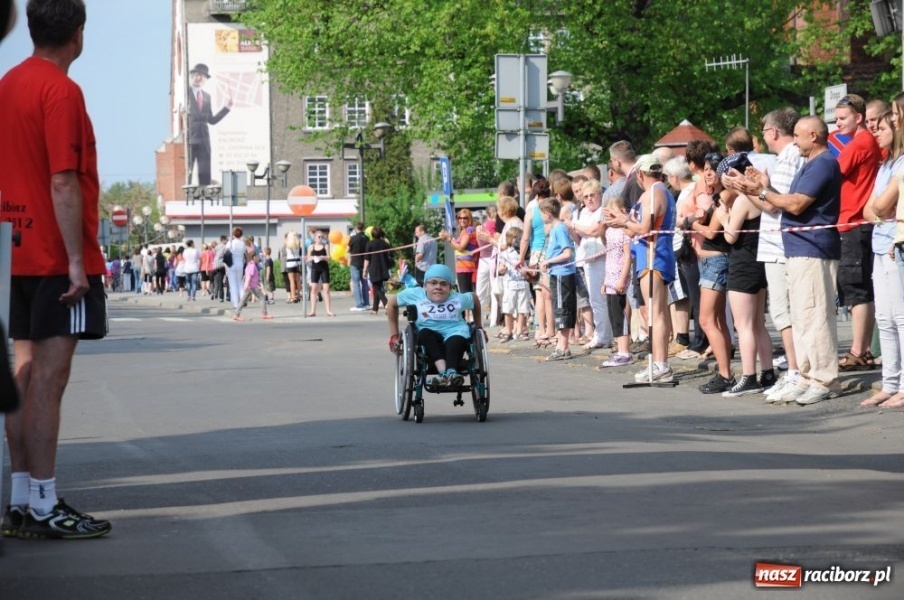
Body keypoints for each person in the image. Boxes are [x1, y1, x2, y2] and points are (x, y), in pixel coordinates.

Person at [0, 0, 111, 539]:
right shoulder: (60, 90)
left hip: (10, 249)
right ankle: (44, 504)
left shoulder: (8, 84)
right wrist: (75, 263)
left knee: (22, 375)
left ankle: (22, 498)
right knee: (48, 378)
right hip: (51, 255)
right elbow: (63, 180)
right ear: (79, 34)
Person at [729, 116, 842, 406]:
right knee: (802, 318)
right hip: (797, 249)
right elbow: (782, 202)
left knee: (816, 316)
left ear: (814, 136)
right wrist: (760, 186)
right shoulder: (808, 164)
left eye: (799, 136)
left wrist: (763, 191)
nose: (795, 141)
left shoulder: (824, 163)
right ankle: (806, 375)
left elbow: (796, 203)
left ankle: (823, 378)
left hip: (813, 249)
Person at [606, 154, 677, 383]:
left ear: (639, 174)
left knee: (655, 312)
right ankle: (659, 364)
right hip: (649, 256)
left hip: (653, 257)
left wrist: (624, 222)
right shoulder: (653, 192)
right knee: (656, 311)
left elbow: (645, 227)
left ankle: (660, 365)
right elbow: (636, 229)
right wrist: (622, 219)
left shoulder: (655, 192)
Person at [755, 108, 806, 401]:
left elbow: (775, 203)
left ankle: (796, 371)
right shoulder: (788, 158)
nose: (763, 137)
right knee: (784, 312)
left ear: (773, 132)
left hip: (779, 246)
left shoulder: (788, 158)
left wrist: (750, 189)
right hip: (778, 244)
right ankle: (796, 370)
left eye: (764, 131)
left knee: (784, 313)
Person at [713, 155, 775, 397]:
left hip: (743, 264)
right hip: (758, 262)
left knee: (744, 324)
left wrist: (723, 218)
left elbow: (730, 236)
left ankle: (749, 376)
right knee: (758, 322)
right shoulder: (760, 195)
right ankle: (767, 372)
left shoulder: (743, 200)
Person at [833, 94, 881, 371]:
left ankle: (858, 351)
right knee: (861, 288)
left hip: (852, 222)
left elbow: (832, 175)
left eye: (842, 119)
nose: (838, 124)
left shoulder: (857, 145)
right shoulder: (869, 143)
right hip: (858, 222)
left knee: (856, 291)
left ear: (858, 117)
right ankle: (863, 350)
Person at [861, 110, 904, 408]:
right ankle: (890, 382)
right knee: (884, 319)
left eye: (882, 127)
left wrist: (880, 208)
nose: (876, 131)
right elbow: (869, 209)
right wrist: (880, 209)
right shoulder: (885, 164)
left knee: (901, 318)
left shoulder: (902, 164)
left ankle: (903, 385)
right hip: (879, 245)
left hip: (895, 246)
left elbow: (884, 205)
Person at [387, 264, 482, 388]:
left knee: (456, 338)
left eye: (444, 284)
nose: (438, 287)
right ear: (425, 286)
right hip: (428, 333)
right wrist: (394, 336)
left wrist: (479, 327)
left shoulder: (458, 299)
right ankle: (443, 374)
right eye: (433, 283)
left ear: (450, 287)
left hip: (455, 331)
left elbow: (474, 299)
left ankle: (452, 373)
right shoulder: (416, 294)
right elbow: (391, 304)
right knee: (424, 333)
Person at [570, 179, 612, 350]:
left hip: (603, 257)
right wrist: (572, 228)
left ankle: (604, 336)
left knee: (602, 298)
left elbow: (593, 231)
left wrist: (572, 225)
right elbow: (579, 238)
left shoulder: (603, 210)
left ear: (600, 195)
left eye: (592, 195)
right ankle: (603, 334)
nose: (589, 199)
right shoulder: (581, 213)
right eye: (585, 196)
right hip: (588, 257)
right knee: (595, 299)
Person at [538, 197, 577, 361]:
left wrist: (548, 261)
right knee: (559, 308)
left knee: (563, 309)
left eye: (541, 214)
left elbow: (567, 253)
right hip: (556, 273)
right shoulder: (553, 229)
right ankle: (561, 345)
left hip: (563, 273)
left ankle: (563, 346)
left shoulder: (559, 228)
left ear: (547, 214)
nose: (541, 217)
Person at [600, 196, 634, 367]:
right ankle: (619, 349)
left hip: (620, 277)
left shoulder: (624, 232)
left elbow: (627, 256)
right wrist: (605, 281)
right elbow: (609, 257)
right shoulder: (608, 231)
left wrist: (622, 279)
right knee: (613, 315)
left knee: (621, 314)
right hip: (610, 277)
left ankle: (625, 351)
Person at [187, 63, 232, 186]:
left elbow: (211, 120)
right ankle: (186, 196)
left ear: (205, 79)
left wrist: (226, 108)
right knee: (187, 171)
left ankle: (205, 195)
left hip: (204, 140)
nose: (199, 78)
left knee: (205, 172)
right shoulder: (185, 93)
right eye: (197, 75)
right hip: (190, 139)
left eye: (203, 76)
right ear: (191, 76)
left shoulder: (207, 96)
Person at [497, 227, 530, 342]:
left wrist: (526, 272)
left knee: (523, 308)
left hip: (522, 283)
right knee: (508, 308)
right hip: (510, 283)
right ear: (511, 239)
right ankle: (508, 330)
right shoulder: (505, 253)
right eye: (518, 238)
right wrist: (502, 269)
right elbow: (500, 268)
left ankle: (520, 330)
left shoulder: (524, 253)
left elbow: (527, 266)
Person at [439, 208, 478, 294]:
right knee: (466, 291)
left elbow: (461, 247)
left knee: (465, 292)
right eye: (460, 218)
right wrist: (448, 238)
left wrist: (449, 239)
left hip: (465, 265)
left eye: (465, 218)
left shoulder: (469, 230)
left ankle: (469, 307)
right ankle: (469, 307)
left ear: (469, 219)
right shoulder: (463, 231)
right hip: (462, 265)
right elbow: (455, 247)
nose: (462, 220)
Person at [232, 251, 273, 322]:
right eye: (257, 257)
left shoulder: (249, 265)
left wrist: (258, 284)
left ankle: (236, 315)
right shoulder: (252, 266)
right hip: (251, 286)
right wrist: (246, 286)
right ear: (254, 257)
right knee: (261, 298)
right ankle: (236, 315)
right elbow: (248, 277)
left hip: (251, 286)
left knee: (244, 300)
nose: (258, 258)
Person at [306, 230, 335, 317]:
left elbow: (329, 257)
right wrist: (312, 258)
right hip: (315, 268)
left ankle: (328, 310)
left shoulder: (325, 246)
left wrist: (323, 257)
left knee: (326, 289)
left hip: (324, 268)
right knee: (314, 288)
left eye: (322, 237)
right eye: (319, 237)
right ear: (315, 238)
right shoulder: (311, 247)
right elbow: (308, 259)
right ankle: (312, 311)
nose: (320, 239)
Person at [364, 226, 392, 314]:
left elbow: (367, 259)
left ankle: (387, 304)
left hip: (374, 269)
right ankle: (374, 309)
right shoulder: (385, 243)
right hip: (384, 268)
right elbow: (390, 255)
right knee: (378, 288)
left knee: (377, 288)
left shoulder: (370, 244)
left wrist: (364, 270)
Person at [348, 222, 371, 311]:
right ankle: (366, 303)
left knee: (356, 283)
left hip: (355, 262)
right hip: (365, 262)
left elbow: (348, 249)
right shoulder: (367, 238)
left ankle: (359, 304)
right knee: (365, 283)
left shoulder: (353, 238)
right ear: (364, 228)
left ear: (356, 229)